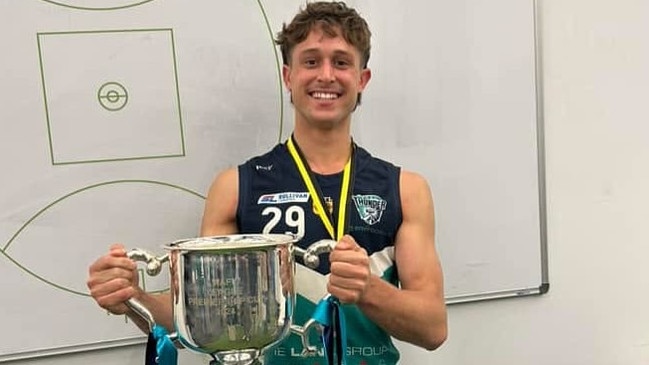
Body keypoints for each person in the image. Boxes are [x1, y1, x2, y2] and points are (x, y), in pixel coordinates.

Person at [87, 2, 447, 364]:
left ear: (362, 79)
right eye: (311, 61)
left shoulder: (404, 189)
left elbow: (433, 329)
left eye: (341, 62)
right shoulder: (236, 188)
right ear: (288, 76)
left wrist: (368, 289)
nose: (326, 75)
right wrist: (133, 299)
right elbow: (198, 324)